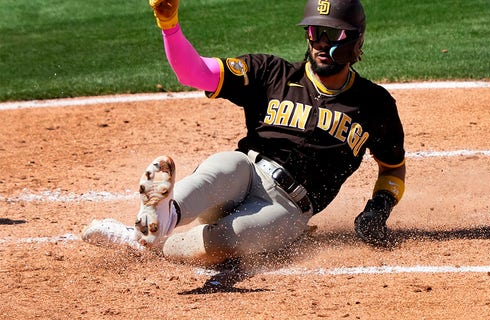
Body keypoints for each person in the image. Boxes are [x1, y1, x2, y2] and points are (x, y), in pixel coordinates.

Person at [82, 0, 406, 267]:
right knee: (221, 166)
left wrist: (380, 206)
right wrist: (170, 25)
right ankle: (162, 217)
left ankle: (142, 240)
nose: (320, 41)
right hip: (245, 173)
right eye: (314, 31)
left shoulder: (374, 105)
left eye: (331, 34)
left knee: (219, 244)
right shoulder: (271, 73)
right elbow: (194, 73)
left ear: (355, 39)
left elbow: (392, 167)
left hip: (289, 208)